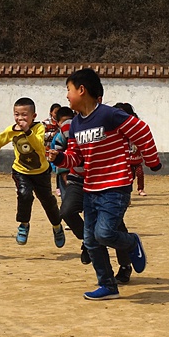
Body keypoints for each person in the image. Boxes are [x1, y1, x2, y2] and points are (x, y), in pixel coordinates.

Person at [49, 68, 162, 301]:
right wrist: (59, 158)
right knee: (90, 241)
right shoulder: (76, 125)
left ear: (82, 90)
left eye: (68, 91)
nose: (67, 97)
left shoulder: (110, 115)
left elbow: (142, 131)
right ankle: (108, 285)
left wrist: (152, 161)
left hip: (116, 186)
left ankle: (131, 242)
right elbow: (76, 158)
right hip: (90, 188)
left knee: (104, 234)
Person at [53, 106, 134, 283]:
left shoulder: (112, 130)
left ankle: (125, 264)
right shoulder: (72, 125)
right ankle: (87, 242)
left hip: (107, 184)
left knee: (115, 226)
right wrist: (62, 169)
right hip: (78, 180)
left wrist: (125, 190)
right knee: (67, 211)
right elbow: (61, 148)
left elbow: (123, 162)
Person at [0, 97, 65, 248]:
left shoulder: (38, 129)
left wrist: (27, 130)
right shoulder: (12, 130)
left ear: (33, 116)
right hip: (21, 171)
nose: (20, 118)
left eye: (24, 115)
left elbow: (38, 146)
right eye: (17, 114)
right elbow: (2, 137)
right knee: (24, 195)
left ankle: (57, 226)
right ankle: (24, 224)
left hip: (41, 172)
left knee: (48, 201)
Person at [115, 102, 146, 196]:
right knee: (128, 177)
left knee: (140, 174)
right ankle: (127, 192)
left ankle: (140, 189)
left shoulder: (136, 127)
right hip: (125, 160)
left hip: (136, 157)